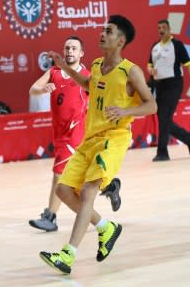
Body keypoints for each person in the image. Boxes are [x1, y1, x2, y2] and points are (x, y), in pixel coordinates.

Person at [39, 15, 156, 275]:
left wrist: (126, 111)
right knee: (63, 190)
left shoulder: (131, 71)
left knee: (90, 190)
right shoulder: (96, 64)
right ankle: (106, 227)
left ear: (120, 40)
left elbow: (151, 105)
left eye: (109, 31)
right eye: (103, 30)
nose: (102, 34)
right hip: (90, 137)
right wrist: (64, 67)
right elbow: (87, 85)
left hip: (114, 138)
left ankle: (68, 255)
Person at [28, 36, 122, 232]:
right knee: (79, 182)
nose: (69, 51)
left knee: (59, 175)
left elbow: (102, 99)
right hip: (59, 133)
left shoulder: (87, 76)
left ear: (81, 54)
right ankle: (109, 186)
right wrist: (42, 89)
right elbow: (32, 90)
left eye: (74, 48)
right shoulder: (53, 72)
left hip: (75, 133)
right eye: (67, 48)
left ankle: (50, 217)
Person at [148, 19, 190, 162]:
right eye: (159, 27)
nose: (161, 30)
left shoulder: (177, 45)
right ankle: (189, 138)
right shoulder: (155, 46)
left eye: (164, 27)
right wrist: (150, 69)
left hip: (174, 84)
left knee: (164, 118)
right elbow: (149, 64)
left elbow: (188, 65)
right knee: (163, 118)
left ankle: (162, 152)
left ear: (169, 29)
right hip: (158, 85)